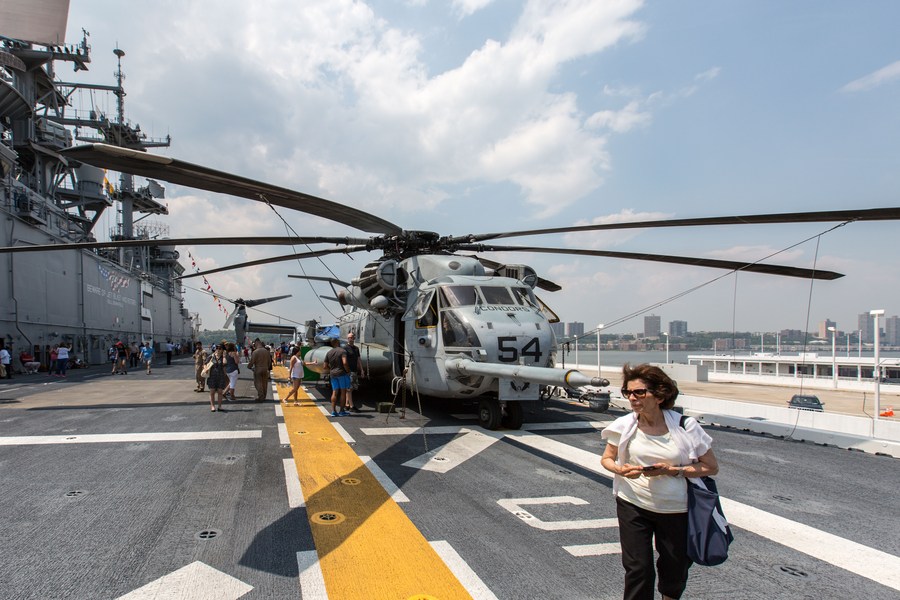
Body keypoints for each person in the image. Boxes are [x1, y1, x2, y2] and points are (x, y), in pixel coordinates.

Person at [600, 364, 719, 600]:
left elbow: (710, 467)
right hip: (633, 504)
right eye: (628, 392)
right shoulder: (624, 425)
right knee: (638, 569)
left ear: (660, 394)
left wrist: (673, 470)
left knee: (674, 569)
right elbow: (607, 459)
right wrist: (621, 470)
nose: (632, 398)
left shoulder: (687, 426)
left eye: (639, 392)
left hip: (676, 509)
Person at [324, 338, 350, 417]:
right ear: (338, 342)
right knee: (343, 392)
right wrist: (348, 371)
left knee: (334, 392)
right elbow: (344, 362)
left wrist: (331, 370)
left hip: (333, 374)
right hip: (342, 374)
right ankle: (341, 411)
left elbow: (325, 366)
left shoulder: (329, 352)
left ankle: (333, 411)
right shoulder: (342, 351)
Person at [204, 345, 228, 412]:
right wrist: (206, 368)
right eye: (216, 348)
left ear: (223, 350)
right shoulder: (211, 356)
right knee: (212, 392)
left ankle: (220, 406)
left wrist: (224, 356)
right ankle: (212, 406)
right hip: (212, 377)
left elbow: (224, 363)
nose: (218, 349)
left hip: (221, 376)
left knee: (220, 392)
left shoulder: (223, 357)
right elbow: (205, 363)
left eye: (220, 348)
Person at [344, 332, 362, 413]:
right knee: (349, 389)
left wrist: (362, 370)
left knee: (351, 389)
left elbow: (358, 359)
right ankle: (351, 406)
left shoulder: (356, 348)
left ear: (354, 338)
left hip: (354, 371)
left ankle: (346, 405)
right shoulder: (345, 348)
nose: (350, 339)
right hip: (348, 371)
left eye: (352, 337)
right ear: (347, 339)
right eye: (349, 337)